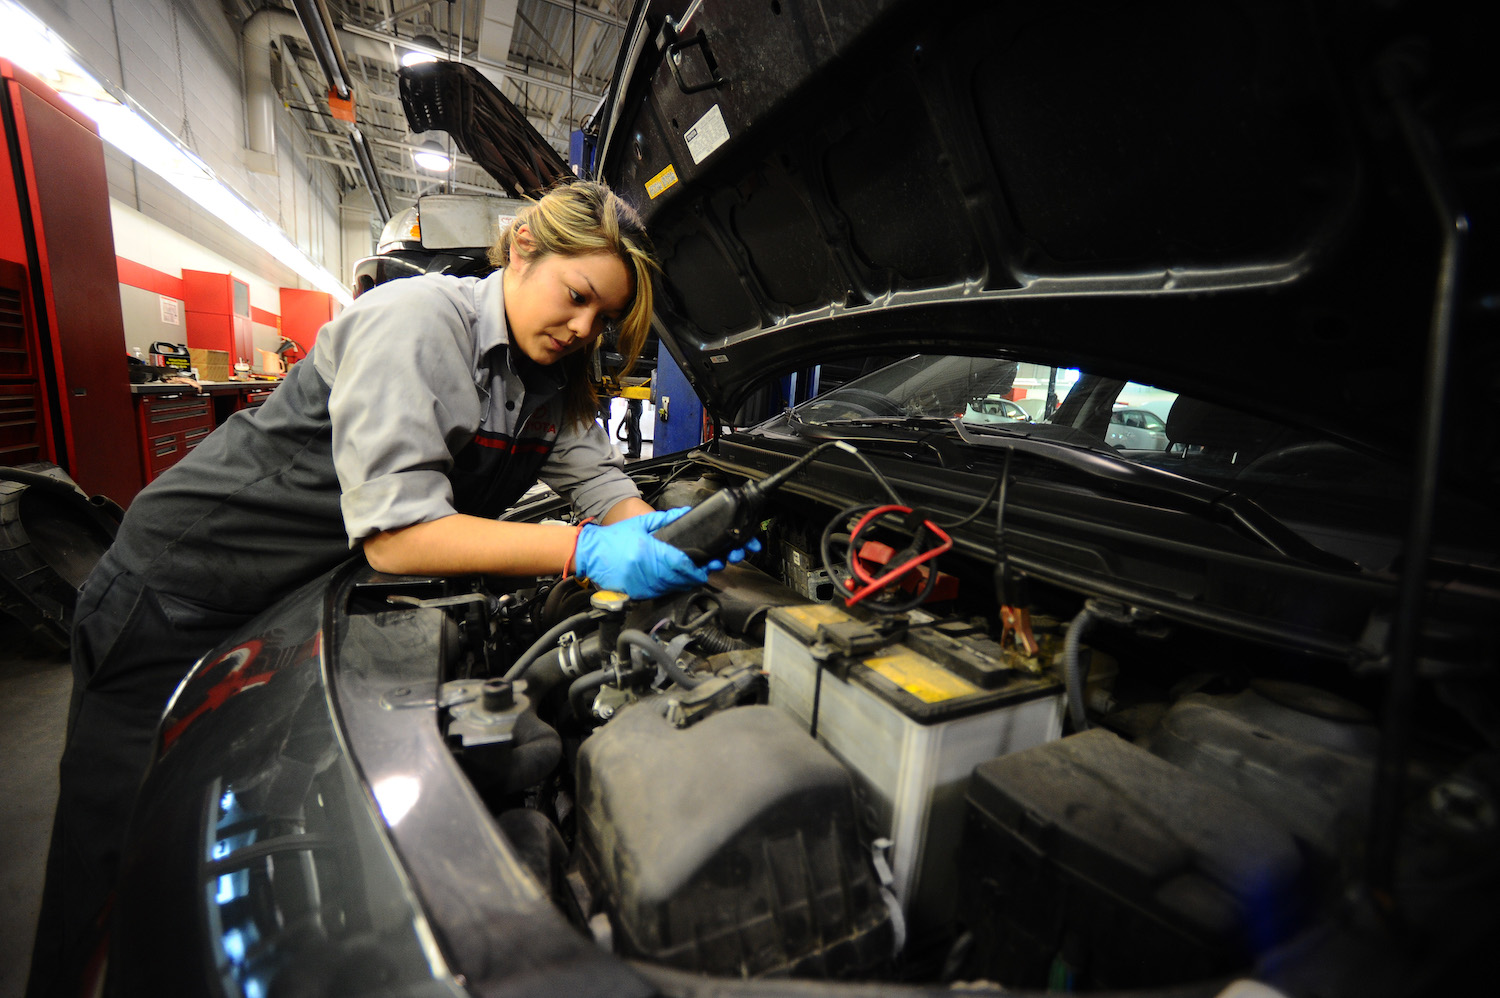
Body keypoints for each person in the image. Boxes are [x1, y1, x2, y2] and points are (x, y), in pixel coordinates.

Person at [27, 180, 746, 997]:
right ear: (522, 251)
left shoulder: (553, 376)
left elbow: (602, 485)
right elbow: (399, 537)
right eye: (577, 296)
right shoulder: (417, 325)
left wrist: (659, 538)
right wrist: (583, 551)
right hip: (176, 590)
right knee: (111, 865)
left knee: (177, 845)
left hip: (278, 600)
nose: (584, 328)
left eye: (603, 318)